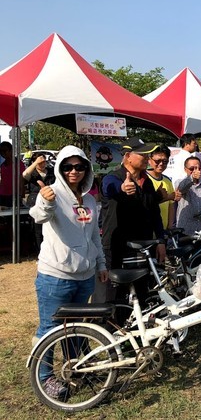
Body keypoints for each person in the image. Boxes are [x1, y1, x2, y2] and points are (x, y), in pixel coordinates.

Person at [29, 145, 108, 398]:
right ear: (60, 169)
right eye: (67, 166)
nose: (73, 171)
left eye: (79, 166)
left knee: (74, 328)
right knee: (50, 329)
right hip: (55, 277)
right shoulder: (51, 194)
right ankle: (45, 378)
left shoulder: (91, 200)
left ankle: (76, 368)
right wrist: (45, 201)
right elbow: (39, 216)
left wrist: (101, 264)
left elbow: (95, 235)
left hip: (84, 277)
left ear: (87, 169)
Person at [94, 137, 167, 304]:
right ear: (128, 156)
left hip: (144, 247)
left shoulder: (147, 182)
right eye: (143, 154)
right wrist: (122, 188)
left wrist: (160, 240)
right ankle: (110, 328)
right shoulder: (113, 178)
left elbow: (155, 213)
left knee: (142, 293)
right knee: (113, 295)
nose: (147, 159)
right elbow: (109, 188)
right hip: (116, 248)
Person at [175, 156, 201, 236]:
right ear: (185, 169)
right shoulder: (180, 182)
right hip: (186, 230)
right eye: (192, 169)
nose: (195, 171)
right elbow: (181, 188)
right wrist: (192, 178)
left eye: (198, 168)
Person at [23, 152, 56, 251]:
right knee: (38, 230)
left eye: (43, 162)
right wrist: (35, 163)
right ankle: (39, 252)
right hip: (35, 202)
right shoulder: (32, 173)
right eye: (39, 162)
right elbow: (24, 174)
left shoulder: (51, 172)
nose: (42, 164)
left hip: (50, 202)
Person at [147, 145, 180, 230]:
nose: (161, 164)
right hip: (147, 231)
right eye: (157, 161)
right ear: (149, 160)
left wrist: (170, 226)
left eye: (165, 161)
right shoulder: (143, 179)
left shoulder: (167, 180)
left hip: (163, 231)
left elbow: (171, 205)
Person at [0, 141, 26, 207]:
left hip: (14, 195)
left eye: (5, 151)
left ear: (11, 151)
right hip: (2, 194)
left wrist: (21, 194)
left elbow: (22, 179)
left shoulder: (19, 164)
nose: (3, 153)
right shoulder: (2, 165)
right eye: (1, 152)